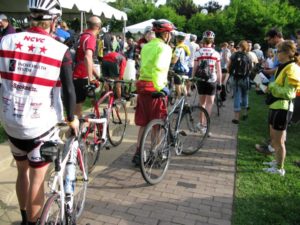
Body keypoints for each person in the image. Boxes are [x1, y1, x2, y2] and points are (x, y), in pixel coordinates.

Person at [0, 0, 78, 224]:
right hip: (39, 124)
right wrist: (72, 119)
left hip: (10, 119)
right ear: (53, 21)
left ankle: (25, 218)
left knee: (21, 171)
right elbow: (69, 91)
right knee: (37, 177)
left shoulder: (6, 40)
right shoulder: (60, 49)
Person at [132, 19, 175, 166]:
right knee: (157, 124)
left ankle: (138, 153)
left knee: (143, 122)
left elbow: (145, 66)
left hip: (142, 85)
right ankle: (154, 154)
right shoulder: (165, 48)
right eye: (170, 33)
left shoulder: (146, 46)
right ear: (166, 34)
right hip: (155, 87)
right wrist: (160, 87)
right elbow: (158, 68)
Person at [262, 40, 300, 176]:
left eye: (279, 51)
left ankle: (280, 168)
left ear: (287, 53)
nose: (277, 54)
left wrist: (272, 86)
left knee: (279, 140)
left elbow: (289, 93)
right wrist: (266, 88)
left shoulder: (293, 68)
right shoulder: (282, 67)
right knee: (274, 138)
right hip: (275, 105)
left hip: (283, 107)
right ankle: (276, 161)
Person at [255, 28, 284, 154]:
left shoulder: (283, 48)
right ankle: (272, 143)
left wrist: (265, 71)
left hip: (278, 87)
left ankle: (273, 146)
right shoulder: (279, 48)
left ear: (277, 36)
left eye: (271, 39)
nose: (270, 42)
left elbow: (281, 69)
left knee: (275, 120)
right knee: (272, 118)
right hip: (273, 85)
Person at [193, 30, 222, 136]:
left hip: (201, 80)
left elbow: (195, 67)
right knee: (209, 104)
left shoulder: (198, 52)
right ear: (212, 41)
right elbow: (218, 70)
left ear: (203, 40)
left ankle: (201, 124)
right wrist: (220, 83)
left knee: (202, 103)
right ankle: (206, 126)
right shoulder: (216, 53)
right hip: (212, 80)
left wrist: (193, 79)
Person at [73, 16, 101, 118]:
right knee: (78, 105)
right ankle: (77, 130)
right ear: (99, 27)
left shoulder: (82, 35)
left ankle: (94, 123)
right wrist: (91, 78)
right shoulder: (91, 38)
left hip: (75, 72)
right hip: (81, 75)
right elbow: (87, 57)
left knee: (92, 99)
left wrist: (97, 76)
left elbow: (85, 60)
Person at [228, 40, 252, 124]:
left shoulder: (234, 55)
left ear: (239, 46)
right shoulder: (248, 56)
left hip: (236, 78)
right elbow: (250, 68)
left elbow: (229, 65)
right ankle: (245, 113)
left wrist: (230, 74)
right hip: (245, 79)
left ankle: (236, 117)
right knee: (245, 95)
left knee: (237, 96)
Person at [171, 31, 190, 98]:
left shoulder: (178, 48)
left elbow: (174, 61)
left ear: (177, 39)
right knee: (183, 85)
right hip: (185, 68)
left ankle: (179, 101)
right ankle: (185, 102)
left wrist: (169, 62)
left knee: (178, 86)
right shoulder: (185, 47)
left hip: (179, 69)